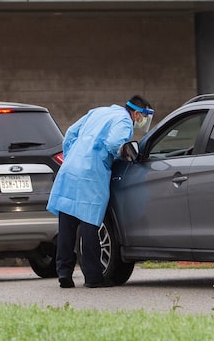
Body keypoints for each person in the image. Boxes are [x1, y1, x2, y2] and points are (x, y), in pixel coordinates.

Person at [46, 95, 153, 289]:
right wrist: (123, 154)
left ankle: (64, 274)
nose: (142, 122)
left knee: (67, 225)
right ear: (136, 113)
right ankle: (93, 277)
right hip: (92, 174)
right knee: (90, 224)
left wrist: (73, 158)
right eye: (143, 117)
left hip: (70, 171)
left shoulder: (99, 111)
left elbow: (70, 133)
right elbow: (114, 144)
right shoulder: (124, 121)